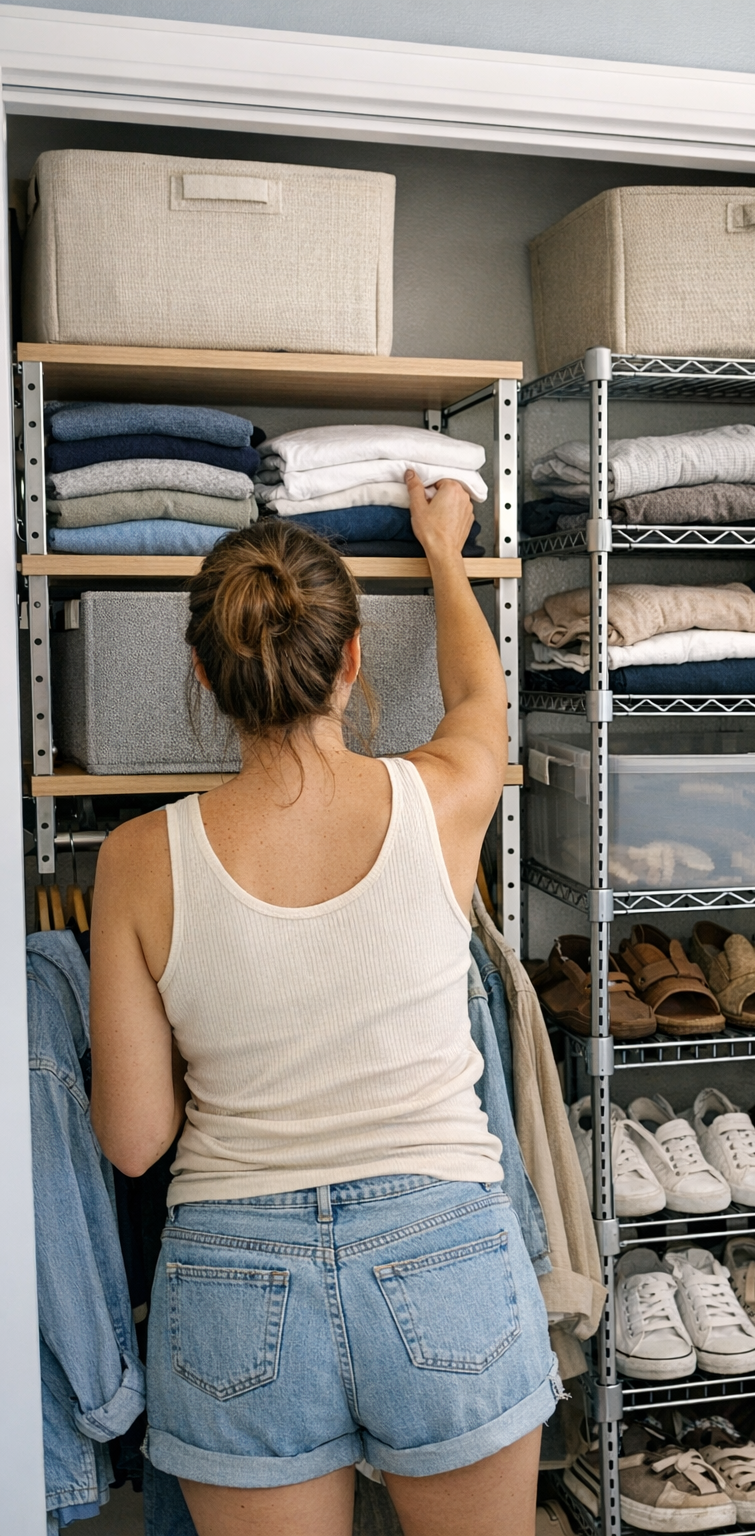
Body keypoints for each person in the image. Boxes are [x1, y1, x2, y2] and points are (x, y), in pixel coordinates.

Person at [89, 471, 557, 1536]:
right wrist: (444, 551)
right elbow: (482, 699)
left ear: (203, 678)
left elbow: (133, 1139)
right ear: (351, 660)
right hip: (443, 1247)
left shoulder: (134, 860)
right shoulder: (442, 799)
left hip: (232, 1277)